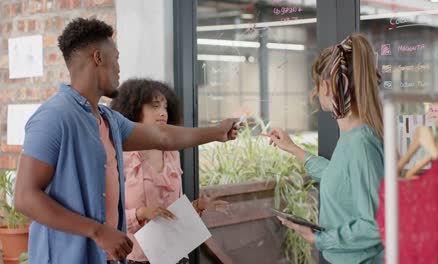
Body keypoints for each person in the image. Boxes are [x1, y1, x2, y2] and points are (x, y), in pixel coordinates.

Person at [13, 18, 240, 264]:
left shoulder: (109, 120)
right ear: (98, 58)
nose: (119, 68)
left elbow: (162, 137)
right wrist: (97, 231)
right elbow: (25, 198)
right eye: (116, 58)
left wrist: (217, 132)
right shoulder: (53, 117)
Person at [269, 33, 385, 264]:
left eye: (316, 84)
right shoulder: (353, 138)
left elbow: (375, 225)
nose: (314, 92)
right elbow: (340, 176)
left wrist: (320, 239)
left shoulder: (360, 143)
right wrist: (292, 148)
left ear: (327, 86)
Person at [110, 79, 229, 264]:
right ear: (134, 109)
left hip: (175, 255)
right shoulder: (121, 155)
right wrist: (141, 213)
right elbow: (108, 217)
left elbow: (172, 212)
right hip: (137, 258)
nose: (163, 112)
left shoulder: (172, 153)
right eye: (155, 106)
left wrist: (199, 206)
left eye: (166, 107)